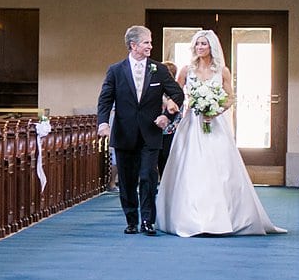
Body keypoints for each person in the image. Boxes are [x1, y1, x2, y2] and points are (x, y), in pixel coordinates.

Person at [156, 30, 286, 237]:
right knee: (192, 166)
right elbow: (175, 93)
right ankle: (190, 217)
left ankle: (225, 217)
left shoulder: (222, 71)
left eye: (204, 44)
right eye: (197, 44)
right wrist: (170, 103)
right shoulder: (186, 70)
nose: (200, 47)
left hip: (214, 123)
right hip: (192, 124)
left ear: (212, 47)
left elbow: (230, 98)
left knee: (220, 167)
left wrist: (215, 109)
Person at [97, 26, 184, 235]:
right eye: (146, 42)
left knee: (147, 176)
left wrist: (167, 116)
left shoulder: (159, 69)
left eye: (150, 42)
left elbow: (178, 95)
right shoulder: (116, 70)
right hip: (124, 133)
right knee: (127, 180)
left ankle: (147, 220)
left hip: (151, 133)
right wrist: (103, 123)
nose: (150, 46)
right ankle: (131, 220)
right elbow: (105, 99)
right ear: (133, 45)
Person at [156, 60, 181, 179]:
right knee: (158, 156)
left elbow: (177, 108)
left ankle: (167, 179)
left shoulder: (173, 89)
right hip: (156, 127)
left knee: (166, 156)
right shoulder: (157, 86)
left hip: (170, 128)